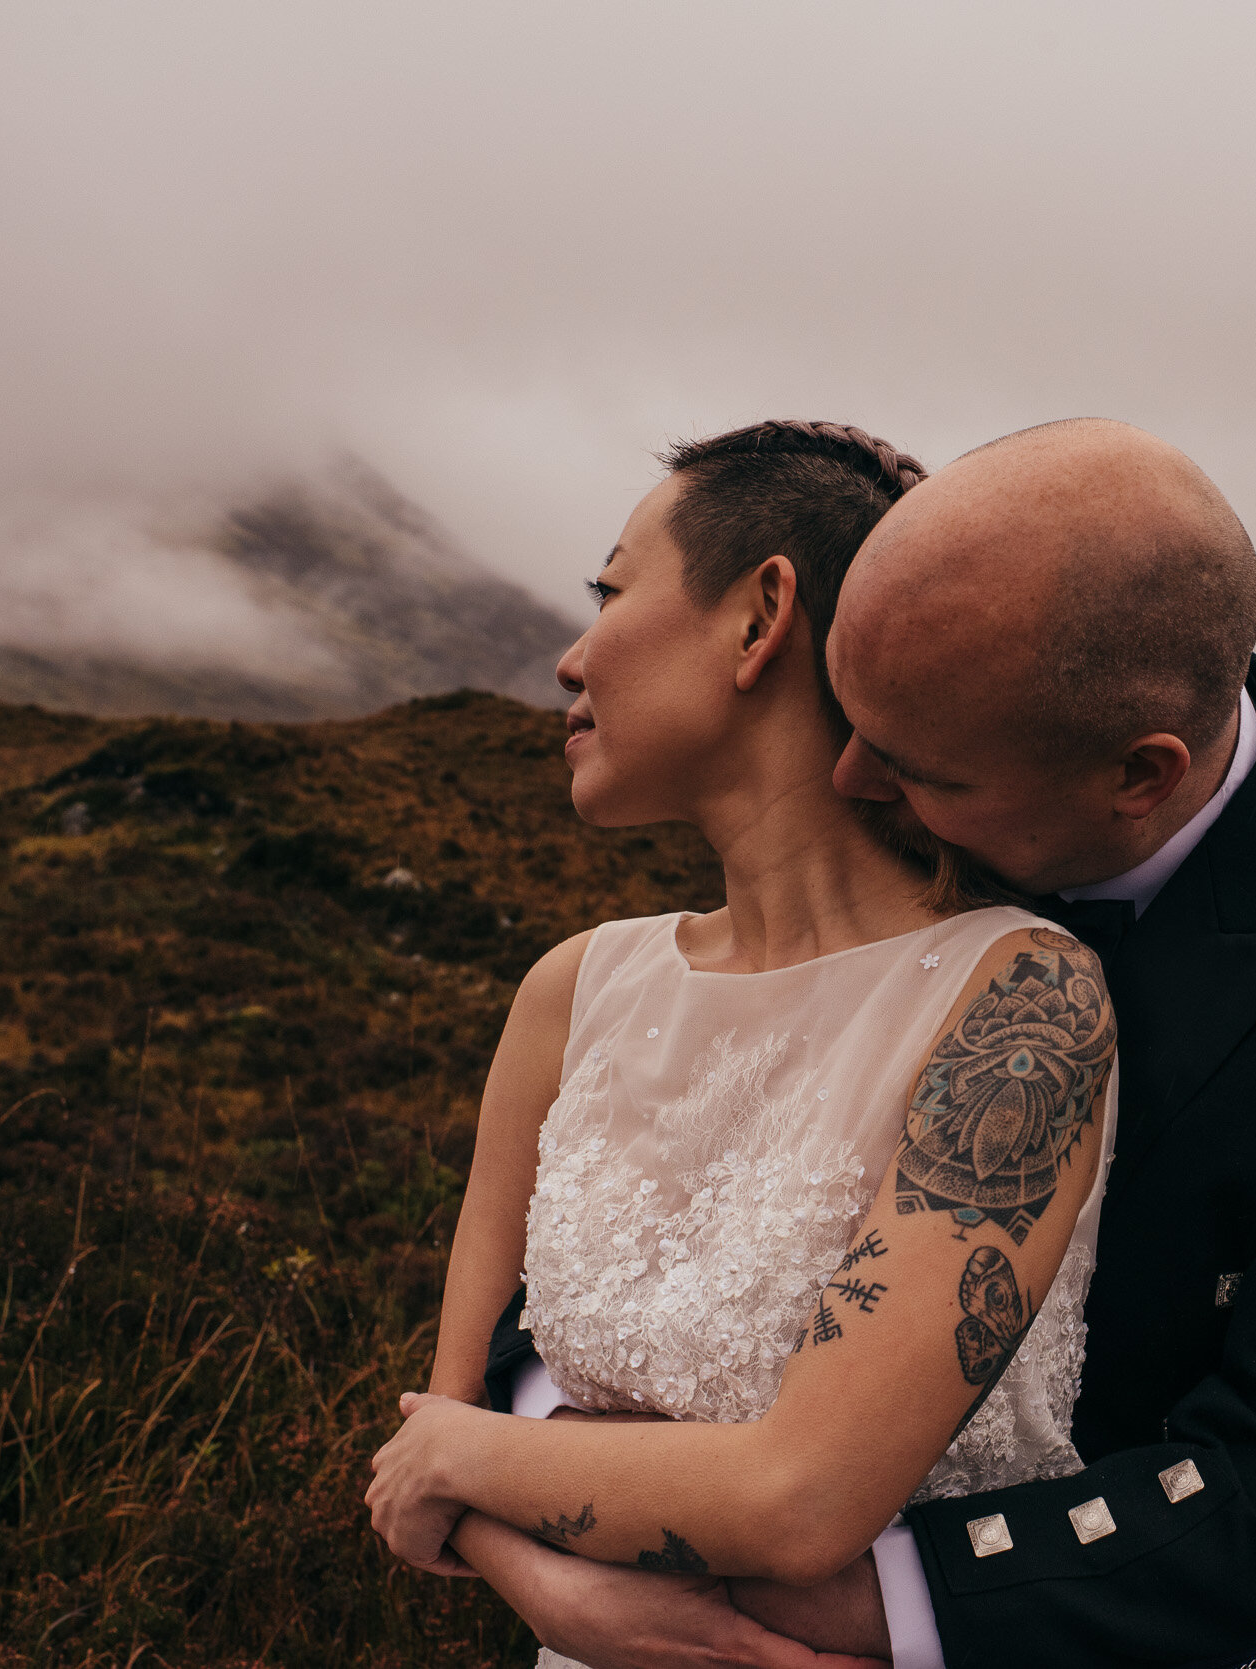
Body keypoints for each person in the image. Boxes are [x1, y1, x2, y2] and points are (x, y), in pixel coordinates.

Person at [444, 419, 1256, 1669]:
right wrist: (554, 1564)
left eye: (910, 767)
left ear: (1137, 778)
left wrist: (765, 1600)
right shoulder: (975, 662)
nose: (844, 779)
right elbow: (603, 1272)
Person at [364, 419, 1121, 1669]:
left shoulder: (1019, 1000)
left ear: (761, 614)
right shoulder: (574, 989)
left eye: (609, 590)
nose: (569, 656)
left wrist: (460, 1461)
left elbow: (801, 1498)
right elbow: (429, 1455)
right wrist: (564, 1600)